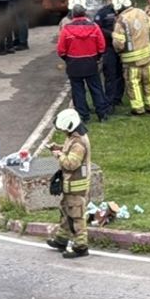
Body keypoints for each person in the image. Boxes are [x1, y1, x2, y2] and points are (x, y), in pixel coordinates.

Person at [46, 108, 92, 259]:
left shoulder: (79, 143)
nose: (63, 131)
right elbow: (69, 151)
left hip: (76, 185)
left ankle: (81, 246)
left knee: (76, 216)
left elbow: (71, 164)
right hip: (70, 184)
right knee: (66, 211)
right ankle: (61, 239)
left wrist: (58, 155)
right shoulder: (73, 137)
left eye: (64, 129)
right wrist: (59, 148)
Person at [56, 0, 108, 123]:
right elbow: (102, 46)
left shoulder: (66, 29)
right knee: (96, 88)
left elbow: (61, 49)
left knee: (78, 90)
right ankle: (102, 114)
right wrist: (97, 57)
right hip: (91, 62)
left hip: (74, 64)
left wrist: (67, 59)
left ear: (72, 14)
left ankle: (83, 116)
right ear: (85, 12)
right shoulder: (94, 27)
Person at [109, 0, 150, 115]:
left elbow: (119, 43)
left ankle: (138, 109)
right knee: (149, 81)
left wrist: (118, 50)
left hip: (132, 61)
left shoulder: (121, 20)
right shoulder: (141, 12)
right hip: (147, 56)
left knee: (134, 83)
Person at [94, 0, 124, 112]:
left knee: (121, 74)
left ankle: (118, 98)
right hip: (109, 48)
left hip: (122, 48)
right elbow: (97, 28)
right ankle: (109, 101)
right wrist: (111, 34)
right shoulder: (103, 12)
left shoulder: (124, 11)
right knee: (110, 75)